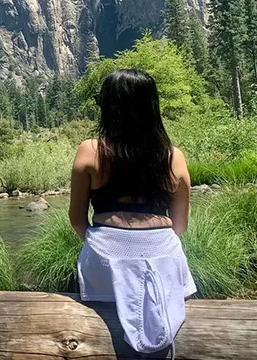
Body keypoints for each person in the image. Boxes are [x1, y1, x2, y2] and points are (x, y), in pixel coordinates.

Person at [69, 68, 194, 356]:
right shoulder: (173, 157)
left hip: (104, 257)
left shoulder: (90, 151)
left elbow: (77, 221)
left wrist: (110, 246)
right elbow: (180, 226)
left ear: (109, 107)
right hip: (164, 257)